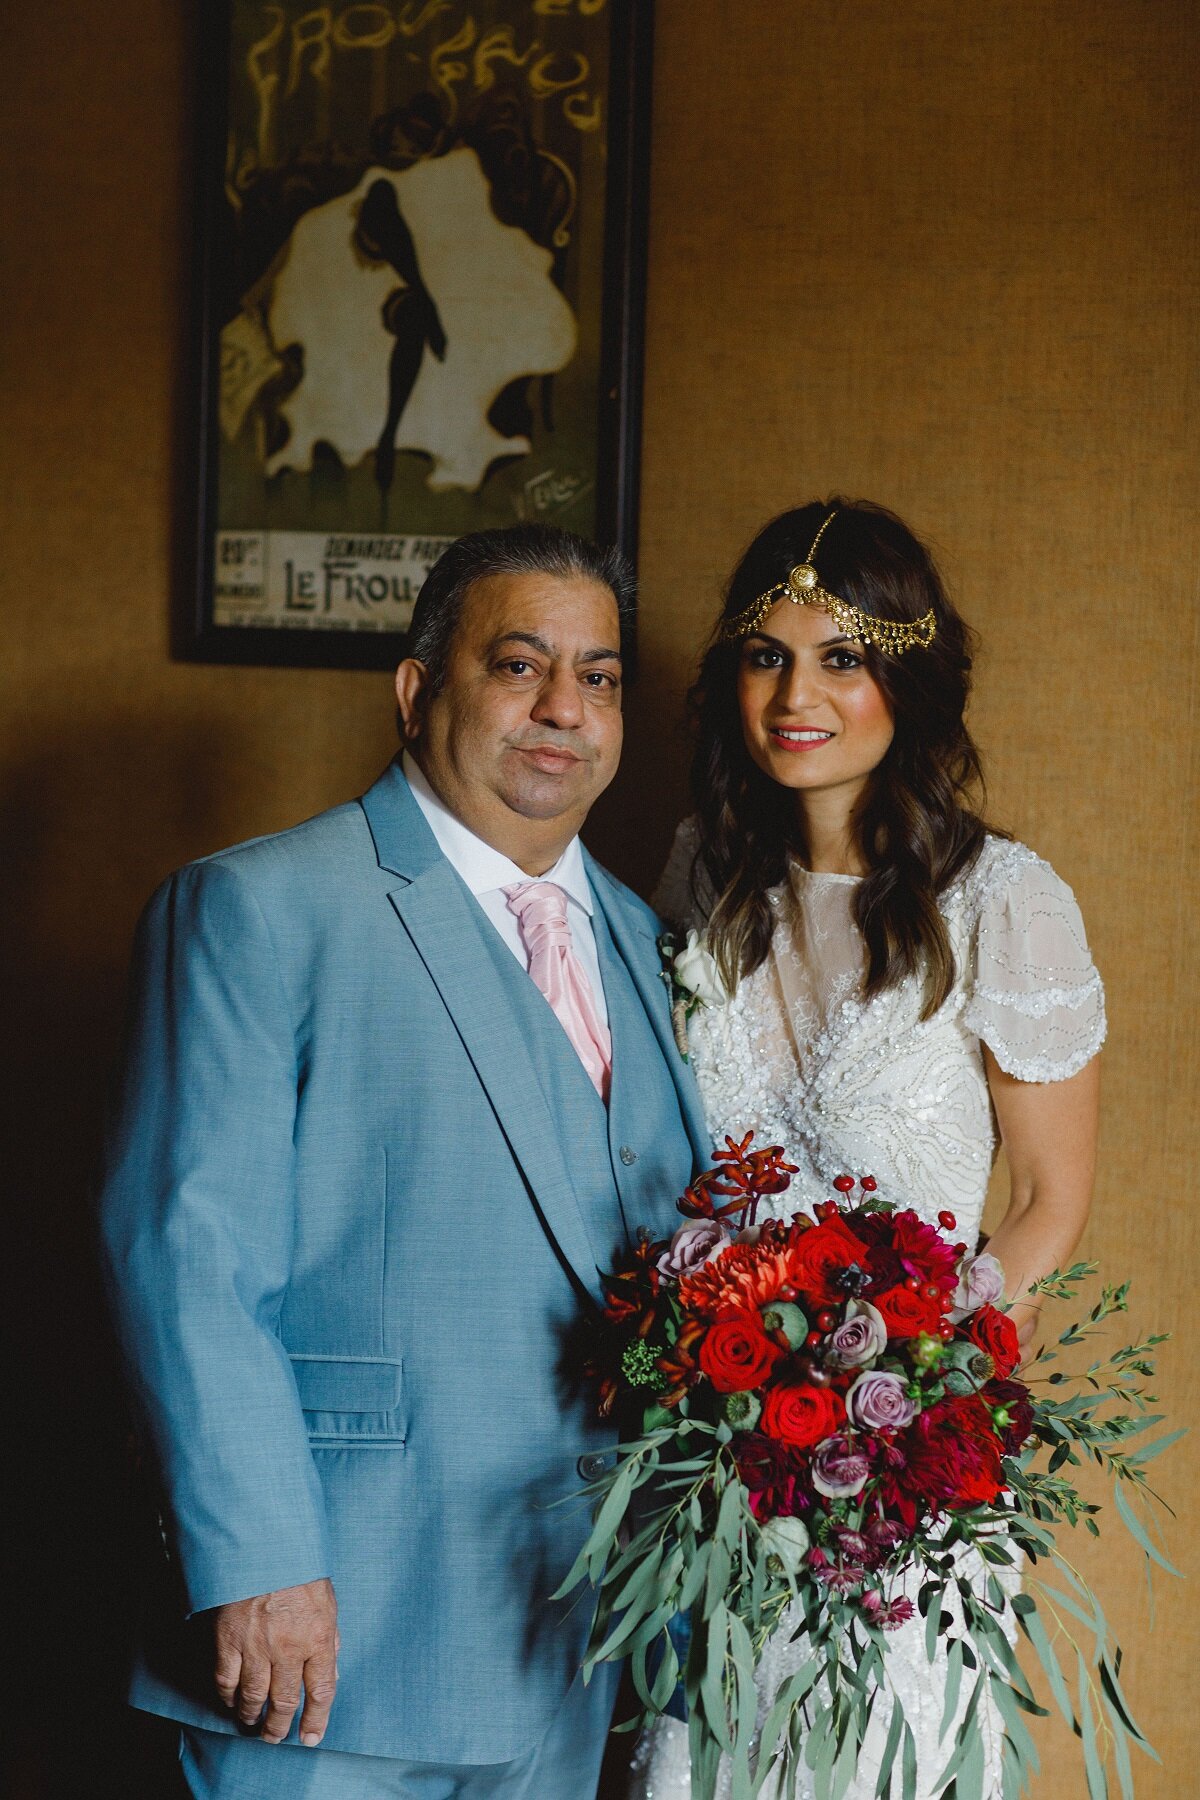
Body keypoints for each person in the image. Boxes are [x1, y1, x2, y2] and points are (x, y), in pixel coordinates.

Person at [99, 523, 709, 1800]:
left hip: (580, 1635)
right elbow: (184, 1258)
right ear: (418, 687)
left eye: (598, 677)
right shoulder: (260, 907)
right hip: (332, 1637)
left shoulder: (652, 944)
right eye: (519, 665)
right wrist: (256, 1561)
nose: (564, 709)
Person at [627, 500, 1105, 1799]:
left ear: (909, 675)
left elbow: (1052, 1200)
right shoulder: (698, 883)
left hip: (900, 1470)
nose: (798, 694)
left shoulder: (1002, 904)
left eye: (841, 657)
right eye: (766, 653)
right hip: (713, 1456)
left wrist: (912, 1376)